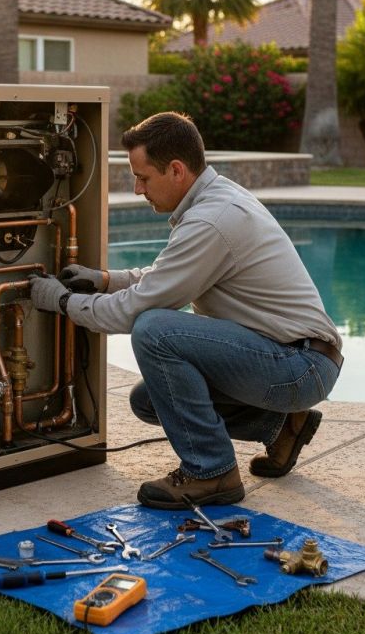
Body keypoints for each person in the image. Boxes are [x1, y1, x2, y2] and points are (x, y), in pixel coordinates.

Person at [28, 111, 343, 510]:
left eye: (143, 177)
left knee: (153, 329)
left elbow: (135, 311)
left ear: (176, 170)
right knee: (149, 400)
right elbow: (164, 276)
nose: (138, 189)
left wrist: (60, 301)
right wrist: (104, 279)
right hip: (293, 357)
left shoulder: (212, 220)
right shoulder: (214, 201)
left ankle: (211, 472)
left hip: (298, 365)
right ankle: (282, 425)